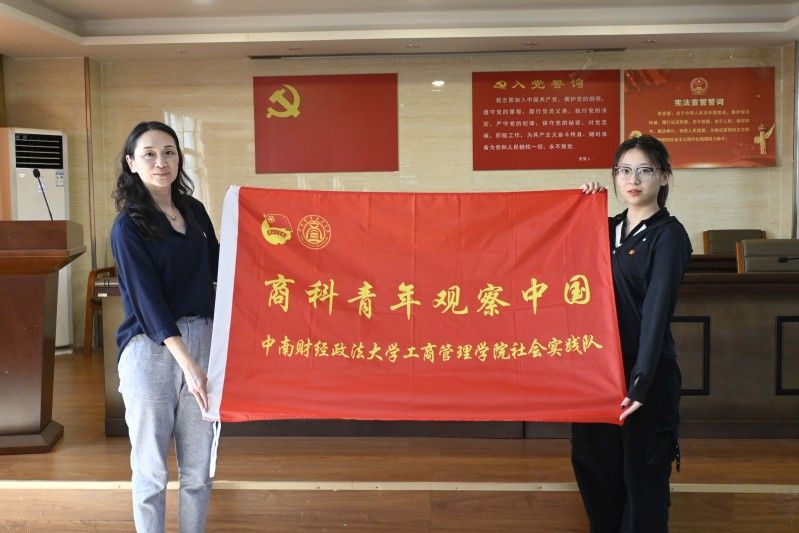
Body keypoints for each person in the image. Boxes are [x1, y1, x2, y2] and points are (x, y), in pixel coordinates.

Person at [573, 135, 692, 532]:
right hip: (597, 374)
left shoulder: (669, 235)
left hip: (645, 376)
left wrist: (640, 384)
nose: (633, 180)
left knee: (643, 479)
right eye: (624, 171)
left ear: (664, 176)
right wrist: (581, 205)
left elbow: (657, 314)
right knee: (595, 470)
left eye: (645, 170)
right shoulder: (603, 229)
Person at [111, 120, 220, 533]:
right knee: (151, 470)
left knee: (198, 469)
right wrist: (188, 364)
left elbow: (220, 266)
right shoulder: (128, 225)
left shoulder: (194, 211)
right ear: (132, 163)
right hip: (151, 349)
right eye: (150, 154)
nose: (161, 162)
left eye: (169, 152)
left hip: (203, 339)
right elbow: (148, 301)